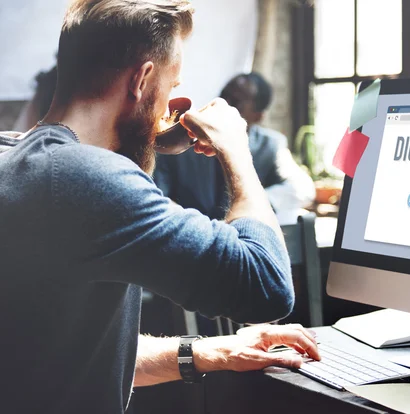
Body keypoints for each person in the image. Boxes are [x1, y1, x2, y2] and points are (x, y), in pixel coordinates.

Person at [0, 1, 319, 413]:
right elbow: (268, 286)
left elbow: (65, 355)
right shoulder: (85, 177)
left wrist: (215, 351)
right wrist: (237, 151)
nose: (168, 105)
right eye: (171, 87)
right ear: (142, 79)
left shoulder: (16, 156)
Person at [154, 72, 315, 221]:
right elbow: (157, 196)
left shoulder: (270, 145)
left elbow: (302, 189)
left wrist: (251, 205)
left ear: (258, 116)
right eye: (224, 95)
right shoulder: (182, 141)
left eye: (236, 101)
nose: (224, 104)